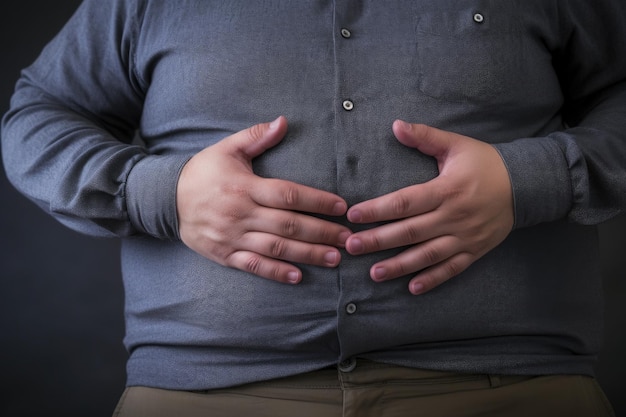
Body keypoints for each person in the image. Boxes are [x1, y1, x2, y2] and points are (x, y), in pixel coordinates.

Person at [2, 1, 624, 416]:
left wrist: (532, 182)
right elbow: (39, 113)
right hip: (200, 392)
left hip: (514, 387)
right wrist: (161, 191)